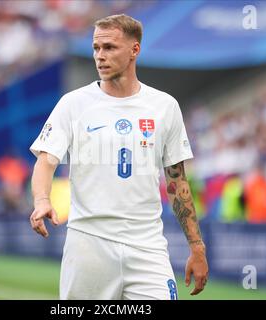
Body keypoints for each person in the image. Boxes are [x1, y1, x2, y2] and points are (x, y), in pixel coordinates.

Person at [29, 14, 208, 300]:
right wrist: (41, 201)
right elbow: (46, 160)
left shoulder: (164, 106)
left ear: (134, 50)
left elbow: (177, 182)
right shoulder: (73, 104)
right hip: (89, 244)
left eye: (110, 48)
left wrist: (197, 248)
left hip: (147, 246)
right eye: (96, 48)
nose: (100, 56)